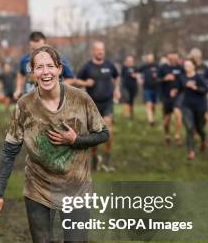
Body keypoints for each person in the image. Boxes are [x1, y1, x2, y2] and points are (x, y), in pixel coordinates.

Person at [0, 45, 109, 243]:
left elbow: (104, 133)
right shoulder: (25, 106)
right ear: (32, 73)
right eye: (38, 67)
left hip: (76, 186)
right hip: (38, 186)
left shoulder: (80, 99)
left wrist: (75, 140)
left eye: (49, 66)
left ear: (59, 69)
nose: (44, 72)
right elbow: (9, 151)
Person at [75, 41, 119, 171]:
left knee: (108, 130)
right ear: (93, 51)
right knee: (95, 134)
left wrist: (117, 89)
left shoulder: (109, 65)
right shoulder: (87, 67)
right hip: (92, 105)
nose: (100, 52)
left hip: (107, 103)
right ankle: (94, 158)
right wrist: (85, 83)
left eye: (102, 50)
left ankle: (107, 160)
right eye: (98, 50)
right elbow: (76, 81)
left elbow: (117, 77)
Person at [14, 31, 74, 99]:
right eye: (33, 49)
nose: (36, 52)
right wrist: (18, 89)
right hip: (31, 99)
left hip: (51, 98)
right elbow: (21, 74)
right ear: (29, 46)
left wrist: (57, 87)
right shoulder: (24, 60)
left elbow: (71, 78)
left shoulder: (57, 59)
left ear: (46, 44)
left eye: (39, 48)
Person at [181, 60, 208, 160]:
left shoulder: (199, 77)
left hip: (199, 106)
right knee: (189, 128)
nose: (187, 67)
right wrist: (174, 90)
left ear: (194, 66)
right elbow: (180, 87)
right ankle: (191, 152)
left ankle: (203, 140)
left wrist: (195, 88)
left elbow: (206, 89)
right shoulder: (182, 77)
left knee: (200, 129)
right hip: (186, 105)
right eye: (185, 65)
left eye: (189, 65)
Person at [158, 52, 184, 145]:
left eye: (175, 57)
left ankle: (178, 136)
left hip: (178, 95)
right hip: (166, 96)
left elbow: (184, 81)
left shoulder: (180, 68)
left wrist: (177, 90)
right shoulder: (162, 68)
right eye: (172, 57)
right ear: (168, 57)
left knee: (178, 113)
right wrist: (164, 79)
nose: (174, 59)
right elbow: (156, 80)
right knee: (167, 120)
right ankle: (167, 135)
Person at [140, 53, 159, 126]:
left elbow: (160, 75)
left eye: (151, 58)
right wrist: (140, 79)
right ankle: (151, 120)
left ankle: (152, 116)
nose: (150, 59)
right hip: (147, 88)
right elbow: (138, 72)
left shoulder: (157, 66)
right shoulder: (144, 67)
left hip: (155, 88)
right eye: (149, 58)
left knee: (153, 105)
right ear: (147, 59)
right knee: (149, 104)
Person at [120, 54, 140, 120]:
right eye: (128, 60)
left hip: (133, 87)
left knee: (131, 101)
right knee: (127, 100)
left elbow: (138, 76)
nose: (129, 62)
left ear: (133, 61)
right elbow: (121, 76)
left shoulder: (135, 68)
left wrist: (136, 76)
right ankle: (127, 115)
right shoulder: (124, 67)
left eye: (131, 60)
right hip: (125, 86)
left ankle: (131, 115)